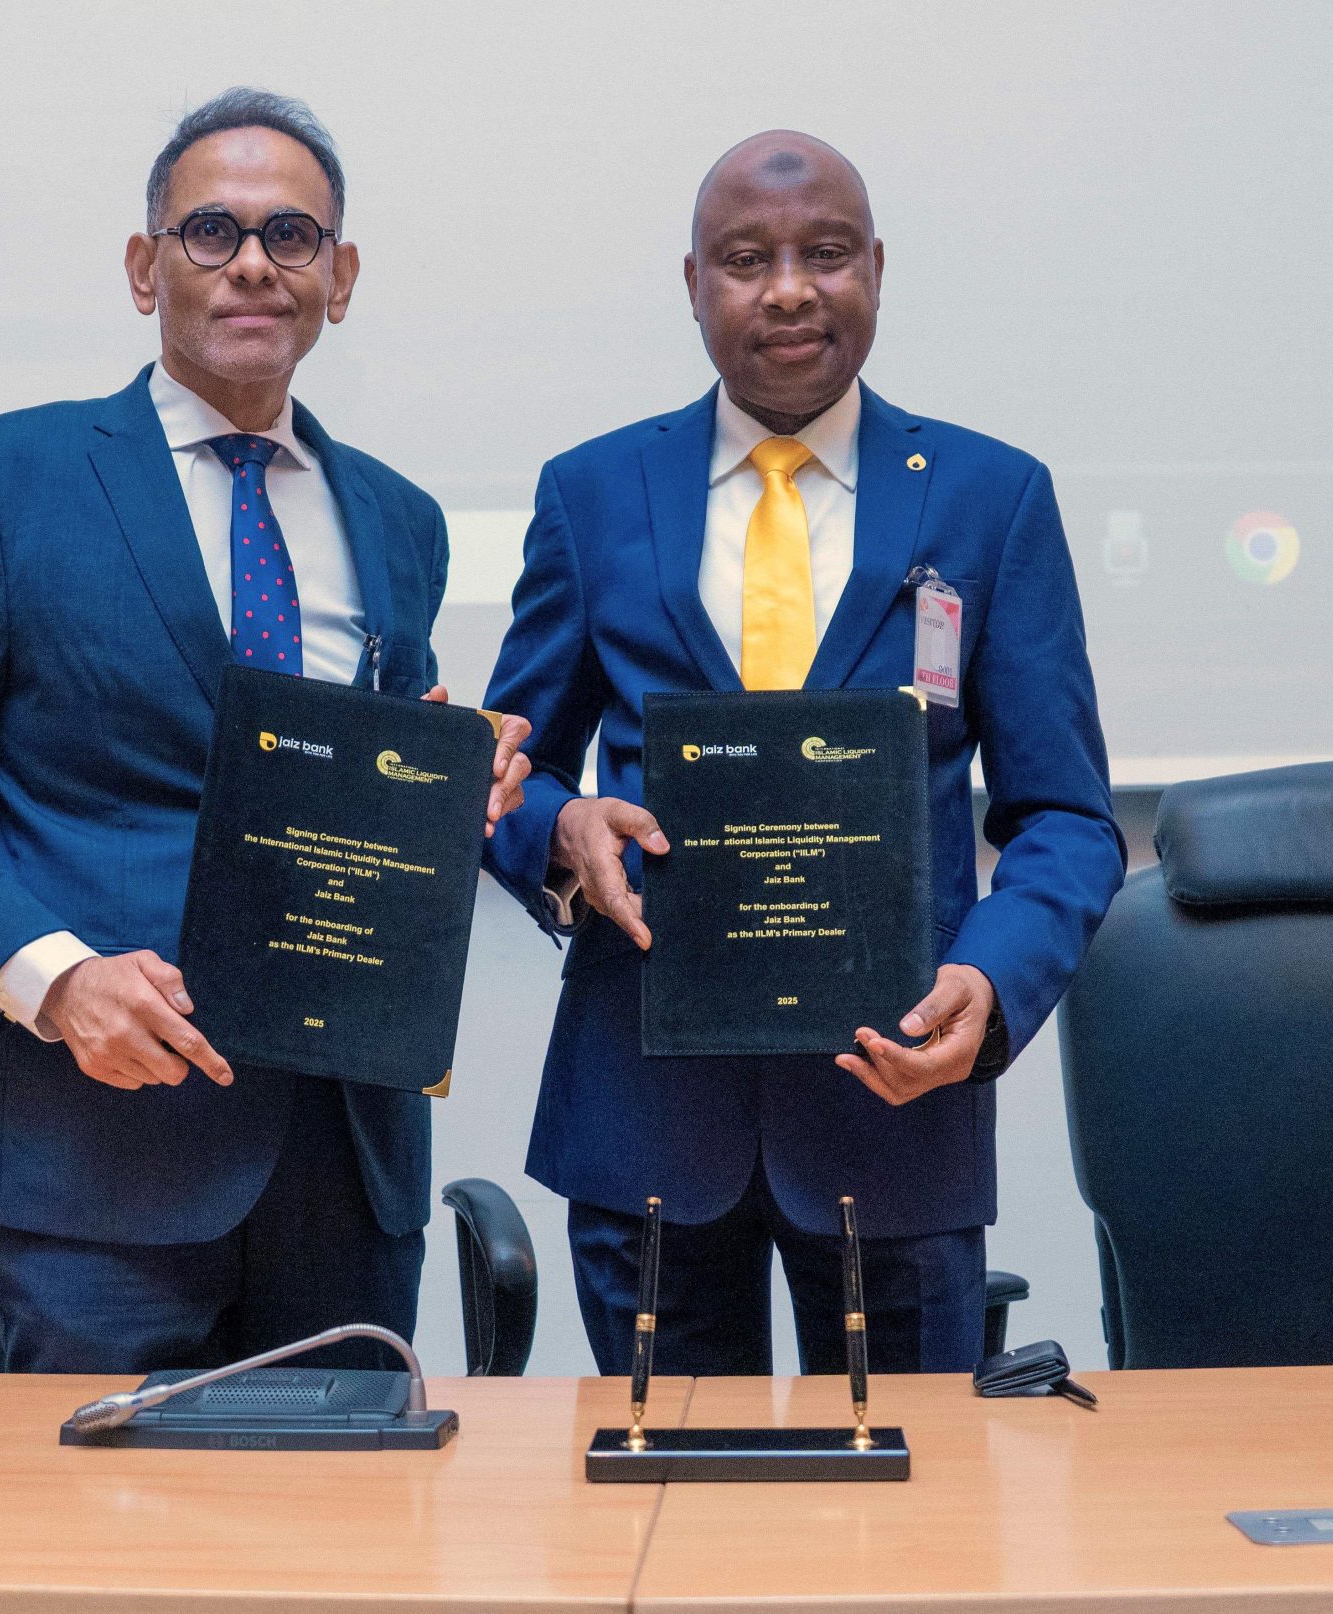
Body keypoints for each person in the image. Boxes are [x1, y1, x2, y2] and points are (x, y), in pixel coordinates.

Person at [0, 88, 530, 1373]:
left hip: (344, 1163)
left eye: (291, 235)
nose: (253, 262)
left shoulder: (401, 520)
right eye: (211, 231)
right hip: (88, 1158)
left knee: (342, 1501)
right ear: (146, 269)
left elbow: (355, 794)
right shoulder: (2, 481)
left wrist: (448, 792)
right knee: (85, 1506)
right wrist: (54, 981)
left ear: (339, 279)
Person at [481, 131, 1123, 1375]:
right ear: (693, 284)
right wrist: (559, 828)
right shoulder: (593, 493)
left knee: (911, 1495)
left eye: (824, 254)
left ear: (875, 269)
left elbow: (1065, 816)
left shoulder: (990, 498)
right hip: (646, 1114)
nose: (787, 290)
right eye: (745, 260)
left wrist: (992, 982)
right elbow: (507, 767)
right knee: (669, 1493)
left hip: (896, 1107)